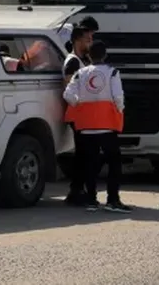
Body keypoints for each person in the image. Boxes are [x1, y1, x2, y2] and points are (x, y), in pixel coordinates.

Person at [63, 40, 131, 213]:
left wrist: (79, 105)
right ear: (105, 55)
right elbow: (118, 97)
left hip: (86, 126)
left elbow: (68, 94)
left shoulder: (80, 73)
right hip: (107, 126)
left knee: (90, 164)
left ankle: (91, 200)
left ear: (89, 55)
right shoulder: (112, 73)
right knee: (114, 163)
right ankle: (112, 200)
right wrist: (119, 110)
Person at [62, 27, 93, 206]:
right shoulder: (73, 62)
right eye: (87, 39)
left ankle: (79, 189)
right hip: (78, 115)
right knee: (82, 154)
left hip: (85, 115)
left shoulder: (84, 60)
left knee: (85, 153)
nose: (90, 42)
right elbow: (69, 88)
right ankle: (76, 191)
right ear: (77, 41)